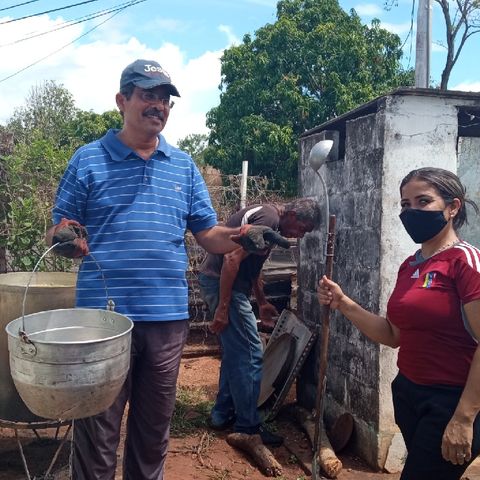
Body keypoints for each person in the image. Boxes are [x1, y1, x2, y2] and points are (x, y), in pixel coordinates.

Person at [45, 59, 283, 480]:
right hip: (101, 321)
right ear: (122, 100)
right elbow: (58, 228)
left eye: (164, 98)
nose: (157, 105)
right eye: (147, 95)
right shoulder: (88, 160)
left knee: (153, 431)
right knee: (98, 430)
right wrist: (65, 236)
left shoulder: (183, 165)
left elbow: (208, 234)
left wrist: (243, 236)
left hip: (166, 319)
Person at [317, 167, 480, 480]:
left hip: (453, 399)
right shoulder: (410, 265)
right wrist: (343, 303)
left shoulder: (465, 261)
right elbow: (392, 335)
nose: (411, 211)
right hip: (409, 393)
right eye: (405, 204)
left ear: (452, 207)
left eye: (423, 202)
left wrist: (463, 417)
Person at [198, 198, 321, 445]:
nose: (299, 236)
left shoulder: (272, 224)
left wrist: (262, 302)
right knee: (251, 355)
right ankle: (248, 426)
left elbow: (252, 267)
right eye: (302, 229)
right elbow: (232, 259)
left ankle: (222, 414)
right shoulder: (269, 219)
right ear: (294, 215)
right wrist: (223, 308)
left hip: (228, 285)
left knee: (236, 353)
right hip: (225, 286)